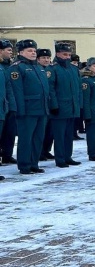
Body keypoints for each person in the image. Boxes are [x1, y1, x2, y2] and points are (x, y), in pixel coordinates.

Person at [8, 39, 50, 174]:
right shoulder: (17, 67)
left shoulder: (38, 67)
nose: (33, 53)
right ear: (21, 52)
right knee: (26, 139)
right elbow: (17, 91)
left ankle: (34, 163)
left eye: (34, 50)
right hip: (27, 110)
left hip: (41, 109)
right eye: (29, 50)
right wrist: (20, 110)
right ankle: (25, 165)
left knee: (38, 138)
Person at [48, 42, 83, 168]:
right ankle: (60, 158)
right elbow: (51, 89)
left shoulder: (74, 70)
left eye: (69, 54)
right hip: (60, 108)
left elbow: (78, 88)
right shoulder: (53, 69)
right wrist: (54, 105)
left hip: (72, 107)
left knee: (69, 135)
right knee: (59, 135)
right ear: (57, 54)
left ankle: (68, 156)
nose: (67, 57)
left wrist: (79, 104)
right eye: (65, 54)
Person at [0, 39, 18, 165]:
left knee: (10, 132)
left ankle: (7, 154)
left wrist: (12, 105)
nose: (11, 53)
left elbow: (9, 88)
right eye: (8, 50)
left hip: (6, 105)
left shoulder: (10, 66)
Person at [37, 48, 56, 161]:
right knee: (41, 131)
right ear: (38, 59)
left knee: (50, 131)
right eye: (43, 58)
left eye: (48, 58)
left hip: (50, 105)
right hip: (41, 105)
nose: (46, 60)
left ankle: (46, 150)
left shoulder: (51, 70)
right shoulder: (37, 70)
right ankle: (39, 152)